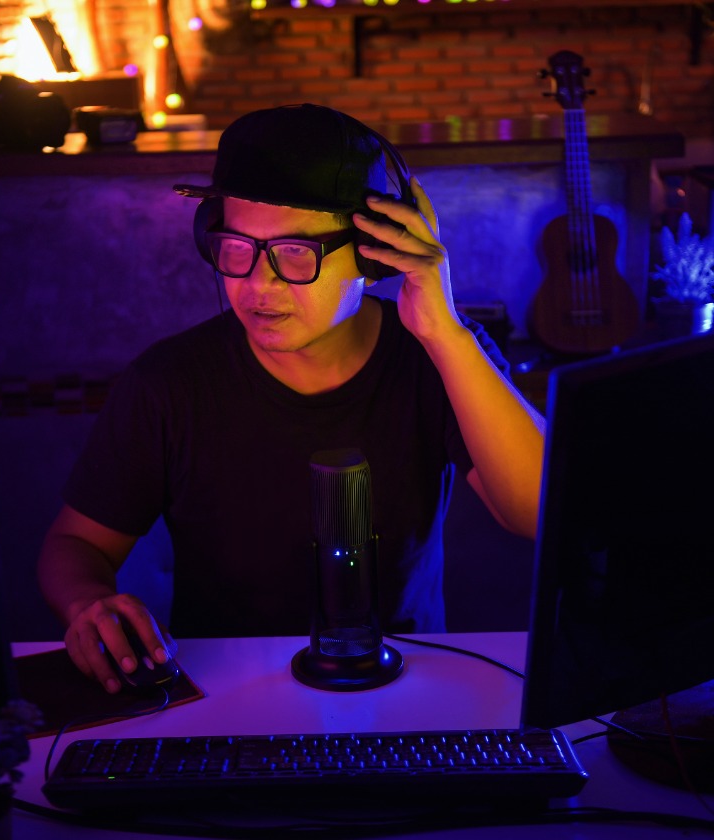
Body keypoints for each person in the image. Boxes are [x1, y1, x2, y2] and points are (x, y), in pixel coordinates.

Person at [38, 103, 546, 694]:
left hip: (404, 686)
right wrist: (87, 604)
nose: (258, 284)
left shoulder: (436, 358)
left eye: (295, 254)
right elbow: (73, 544)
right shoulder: (167, 382)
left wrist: (443, 331)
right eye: (236, 248)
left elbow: (538, 511)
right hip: (221, 693)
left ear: (370, 254)